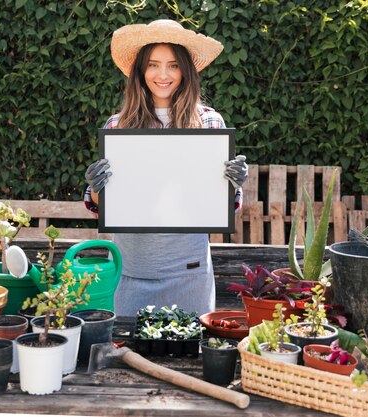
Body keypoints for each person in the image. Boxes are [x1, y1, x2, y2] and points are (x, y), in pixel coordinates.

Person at [84, 19, 248, 317]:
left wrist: (233, 184)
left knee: (188, 356)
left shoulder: (209, 123)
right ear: (140, 71)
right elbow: (100, 206)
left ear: (186, 70)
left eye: (173, 65)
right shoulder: (117, 125)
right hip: (130, 271)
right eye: (153, 65)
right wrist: (97, 188)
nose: (163, 74)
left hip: (189, 271)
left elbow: (224, 208)